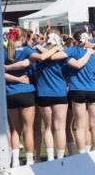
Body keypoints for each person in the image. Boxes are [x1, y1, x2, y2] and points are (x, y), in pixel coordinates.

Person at [29, 29, 70, 161]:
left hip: (43, 93)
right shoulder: (61, 55)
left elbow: (33, 71)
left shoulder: (37, 54)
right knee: (60, 128)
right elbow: (68, 72)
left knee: (47, 127)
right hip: (59, 93)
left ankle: (51, 158)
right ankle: (60, 157)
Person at [65, 30, 95, 153]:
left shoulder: (73, 53)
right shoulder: (94, 56)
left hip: (77, 90)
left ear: (75, 41)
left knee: (80, 126)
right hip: (93, 90)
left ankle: (82, 153)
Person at [4, 28, 37, 166]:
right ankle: (29, 160)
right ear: (23, 38)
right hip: (26, 92)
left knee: (15, 129)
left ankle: (15, 160)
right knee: (28, 129)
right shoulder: (26, 50)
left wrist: (13, 77)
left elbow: (1, 72)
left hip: (11, 93)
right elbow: (37, 58)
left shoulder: (5, 52)